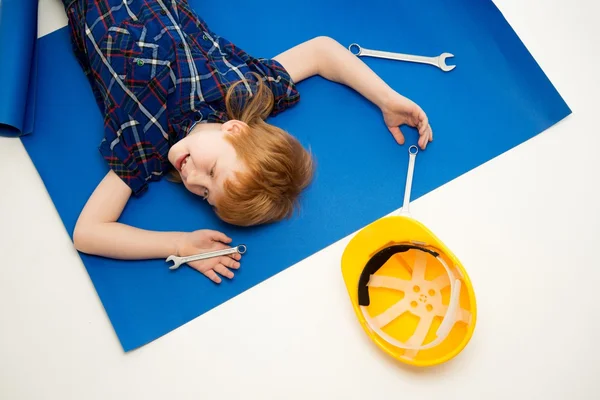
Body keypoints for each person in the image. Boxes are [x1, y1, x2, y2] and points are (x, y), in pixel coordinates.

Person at [63, 0, 433, 283]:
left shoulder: (146, 145)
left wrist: (178, 245)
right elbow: (322, 52)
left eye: (206, 194)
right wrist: (386, 97)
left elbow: (88, 232)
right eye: (211, 171)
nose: (193, 180)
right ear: (235, 130)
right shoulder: (243, 92)